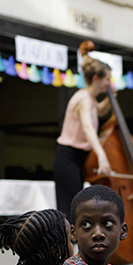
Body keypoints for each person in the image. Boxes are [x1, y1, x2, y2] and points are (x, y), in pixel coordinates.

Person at [53, 55, 114, 216]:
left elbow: (100, 111)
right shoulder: (84, 100)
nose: (109, 83)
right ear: (96, 78)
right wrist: (101, 155)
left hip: (79, 157)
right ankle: (65, 241)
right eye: (107, 79)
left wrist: (109, 99)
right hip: (68, 157)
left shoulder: (91, 100)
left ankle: (73, 240)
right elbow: (87, 128)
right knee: (69, 210)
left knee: (77, 209)